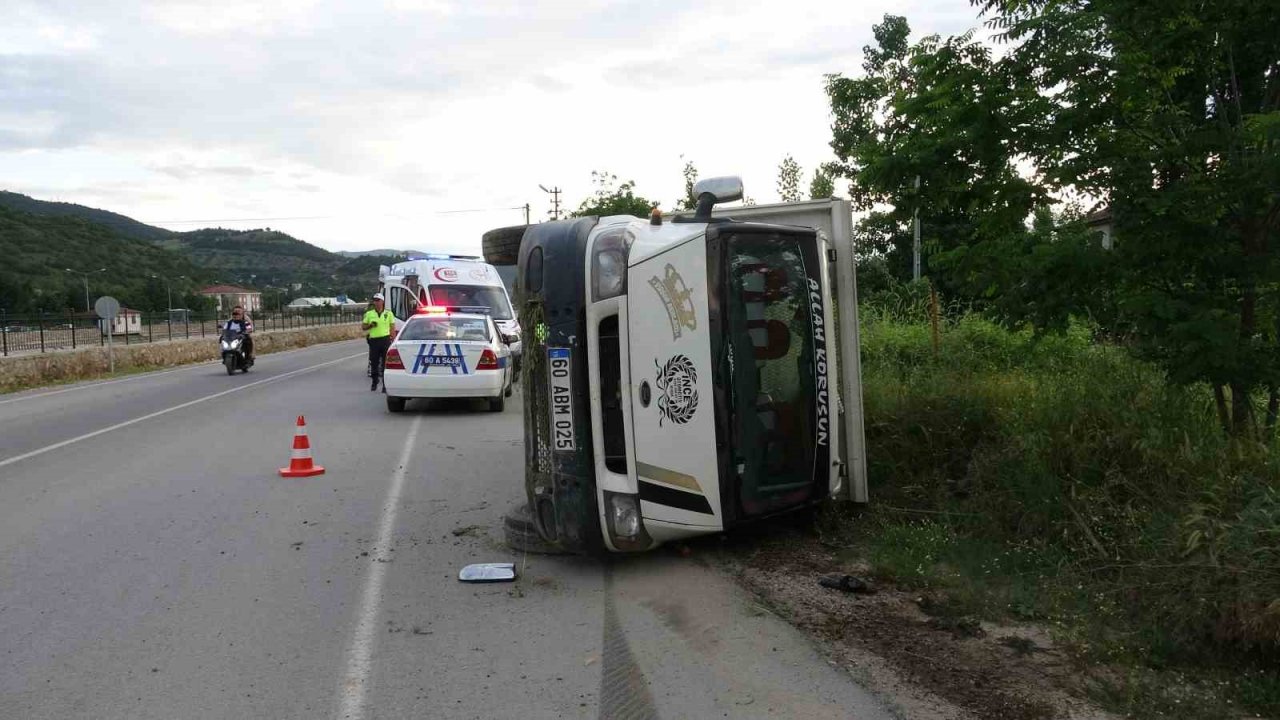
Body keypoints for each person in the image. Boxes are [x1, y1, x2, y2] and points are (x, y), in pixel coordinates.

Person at [363, 293, 396, 391]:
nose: (376, 302)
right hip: (374, 341)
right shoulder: (369, 314)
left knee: (385, 363)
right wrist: (370, 326)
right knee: (374, 362)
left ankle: (385, 385)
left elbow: (392, 328)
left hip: (385, 340)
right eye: (375, 301)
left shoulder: (388, 313)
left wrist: (393, 340)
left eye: (378, 300)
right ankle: (374, 381)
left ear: (382, 302)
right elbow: (363, 327)